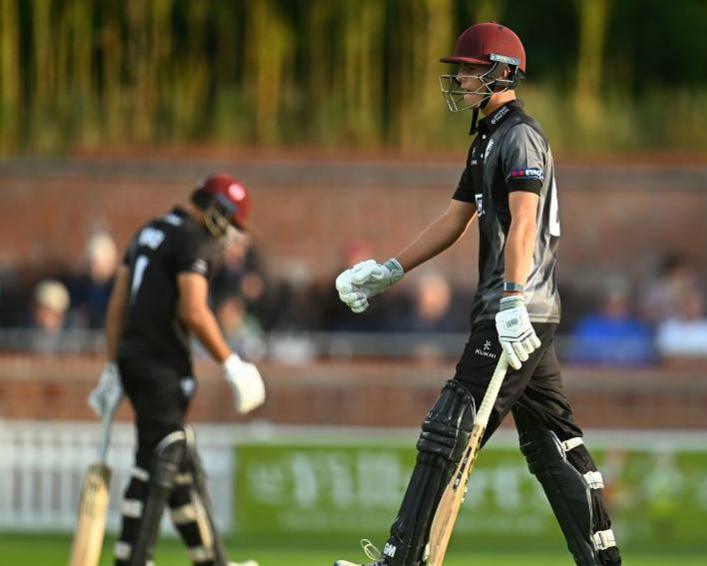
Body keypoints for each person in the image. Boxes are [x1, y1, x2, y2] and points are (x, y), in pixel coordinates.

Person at [333, 22, 621, 566]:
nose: (461, 77)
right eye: (461, 69)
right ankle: (604, 562)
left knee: (450, 426)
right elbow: (454, 219)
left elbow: (525, 219)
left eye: (470, 68)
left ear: (502, 72)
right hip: (523, 311)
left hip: (515, 311)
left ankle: (401, 559)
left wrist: (512, 298)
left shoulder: (520, 135)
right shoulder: (486, 137)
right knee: (552, 442)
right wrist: (390, 269)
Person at [86, 174, 266, 566]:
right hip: (163, 364)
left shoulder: (150, 230)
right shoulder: (193, 239)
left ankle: (212, 560)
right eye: (231, 225)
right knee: (162, 455)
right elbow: (194, 310)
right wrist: (232, 363)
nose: (230, 237)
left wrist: (115, 365)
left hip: (136, 359)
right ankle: (133, 558)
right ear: (219, 212)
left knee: (177, 459)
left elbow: (119, 303)